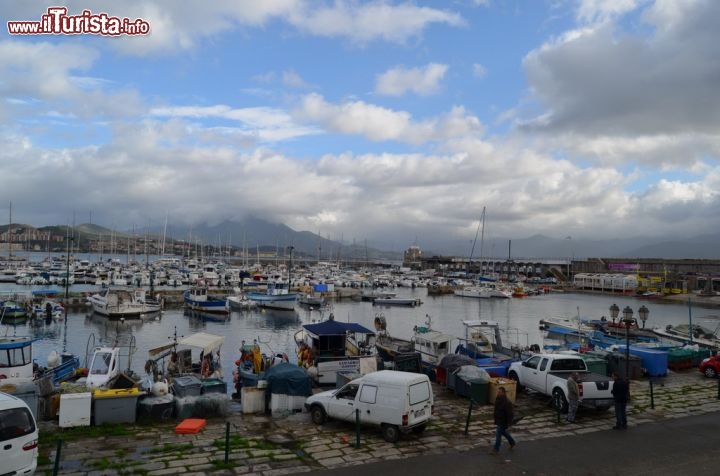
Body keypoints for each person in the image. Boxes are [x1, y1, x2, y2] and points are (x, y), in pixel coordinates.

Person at [491, 386, 516, 454]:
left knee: (498, 434)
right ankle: (512, 442)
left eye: (499, 392)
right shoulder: (498, 399)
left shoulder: (507, 403)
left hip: (503, 421)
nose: (498, 393)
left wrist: (509, 423)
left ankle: (496, 449)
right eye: (497, 392)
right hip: (499, 420)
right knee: (503, 432)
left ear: (503, 393)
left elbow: (510, 414)